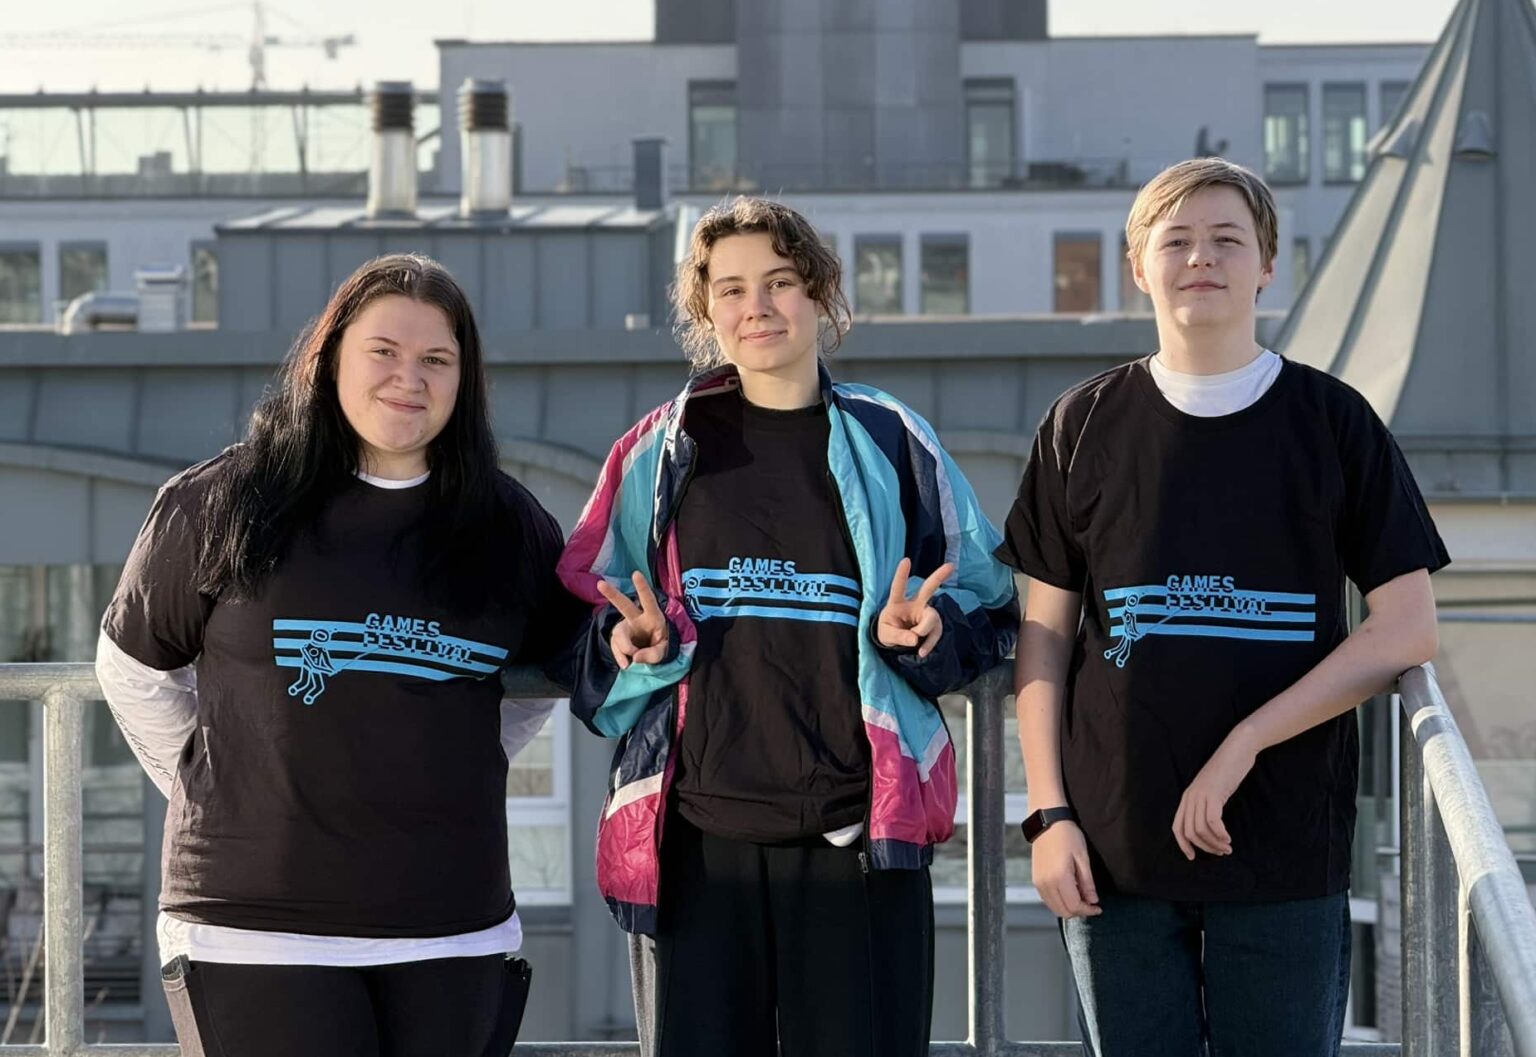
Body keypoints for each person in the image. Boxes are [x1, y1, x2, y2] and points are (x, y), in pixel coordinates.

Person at [998, 157, 1450, 1057]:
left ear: (1267, 264)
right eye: (1176, 240)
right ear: (1139, 264)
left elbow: (1407, 627)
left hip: (1284, 840)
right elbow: (1043, 643)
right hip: (1110, 849)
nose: (1200, 257)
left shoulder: (1333, 422)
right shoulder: (1080, 424)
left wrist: (1245, 739)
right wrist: (1047, 817)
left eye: (1226, 239)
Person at [556, 196, 1019, 1057]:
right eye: (730, 289)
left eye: (779, 281)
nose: (757, 306)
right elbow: (587, 628)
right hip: (696, 844)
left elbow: (993, 606)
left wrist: (925, 637)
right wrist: (631, 648)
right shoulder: (657, 452)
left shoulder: (892, 438)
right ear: (705, 313)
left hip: (857, 840)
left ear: (820, 294)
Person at [95, 253, 583, 1057]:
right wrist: (223, 775)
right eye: (382, 352)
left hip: (452, 928)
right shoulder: (224, 501)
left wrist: (457, 759)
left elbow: (541, 679)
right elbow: (133, 667)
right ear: (329, 360)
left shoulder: (507, 526)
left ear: (465, 380)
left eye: (436, 359)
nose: (409, 378)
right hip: (256, 928)